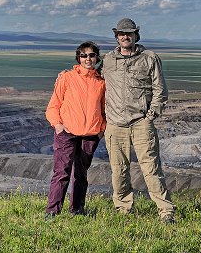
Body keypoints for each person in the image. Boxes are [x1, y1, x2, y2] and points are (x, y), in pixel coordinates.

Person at [102, 18, 175, 224]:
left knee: (151, 168)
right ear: (116, 36)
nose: (126, 37)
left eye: (130, 33)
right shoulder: (107, 60)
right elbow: (94, 83)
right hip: (115, 124)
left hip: (141, 122)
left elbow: (160, 89)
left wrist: (151, 116)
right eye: (122, 34)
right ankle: (123, 209)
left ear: (136, 36)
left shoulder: (149, 58)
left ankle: (165, 211)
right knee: (119, 169)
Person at [45, 41, 106, 220]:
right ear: (78, 58)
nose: (88, 59)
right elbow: (53, 105)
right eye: (84, 55)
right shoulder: (67, 77)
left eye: (92, 55)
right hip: (67, 133)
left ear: (97, 58)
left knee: (81, 174)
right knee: (62, 172)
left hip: (90, 135)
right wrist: (58, 125)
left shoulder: (101, 83)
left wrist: (101, 129)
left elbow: (104, 110)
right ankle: (52, 212)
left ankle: (77, 210)